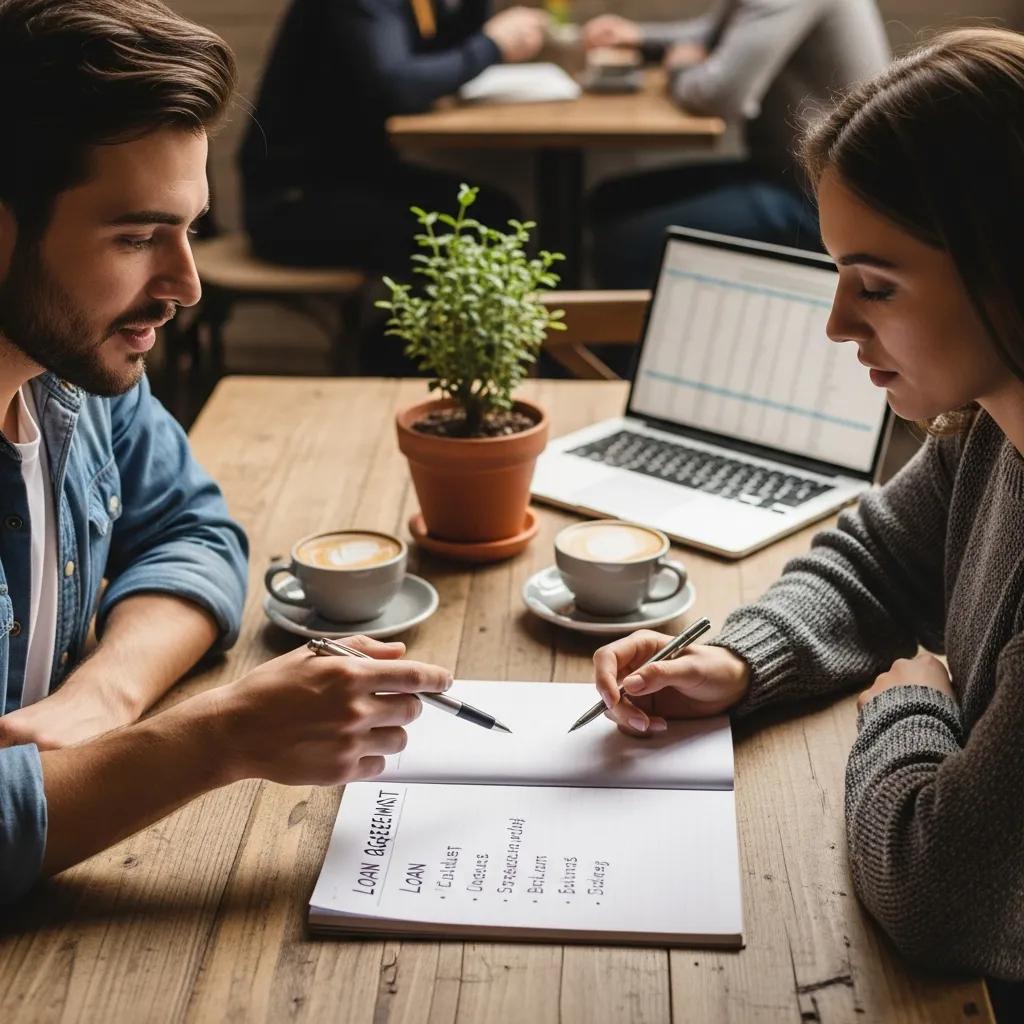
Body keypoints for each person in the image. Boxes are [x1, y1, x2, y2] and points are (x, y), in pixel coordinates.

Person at [588, 25, 1024, 1001]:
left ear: (1005, 264)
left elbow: (933, 890)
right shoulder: (994, 425)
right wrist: (740, 657)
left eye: (873, 284)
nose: (836, 323)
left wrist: (911, 701)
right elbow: (876, 558)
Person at [0, 0, 452, 905]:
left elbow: (193, 529)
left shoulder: (68, 383)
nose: (186, 285)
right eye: (135, 238)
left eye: (190, 228)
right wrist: (216, 740)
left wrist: (105, 697)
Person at [580, 1, 889, 288]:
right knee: (606, 201)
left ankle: (656, 345)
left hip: (826, 203)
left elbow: (719, 95)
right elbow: (716, 33)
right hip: (795, 178)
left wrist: (680, 68)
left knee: (623, 242)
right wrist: (638, 37)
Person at [240, 0, 550, 272]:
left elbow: (444, 55)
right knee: (481, 229)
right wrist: (492, 44)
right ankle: (400, 339)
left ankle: (424, 337)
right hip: (293, 201)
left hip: (354, 178)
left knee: (495, 215)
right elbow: (398, 85)